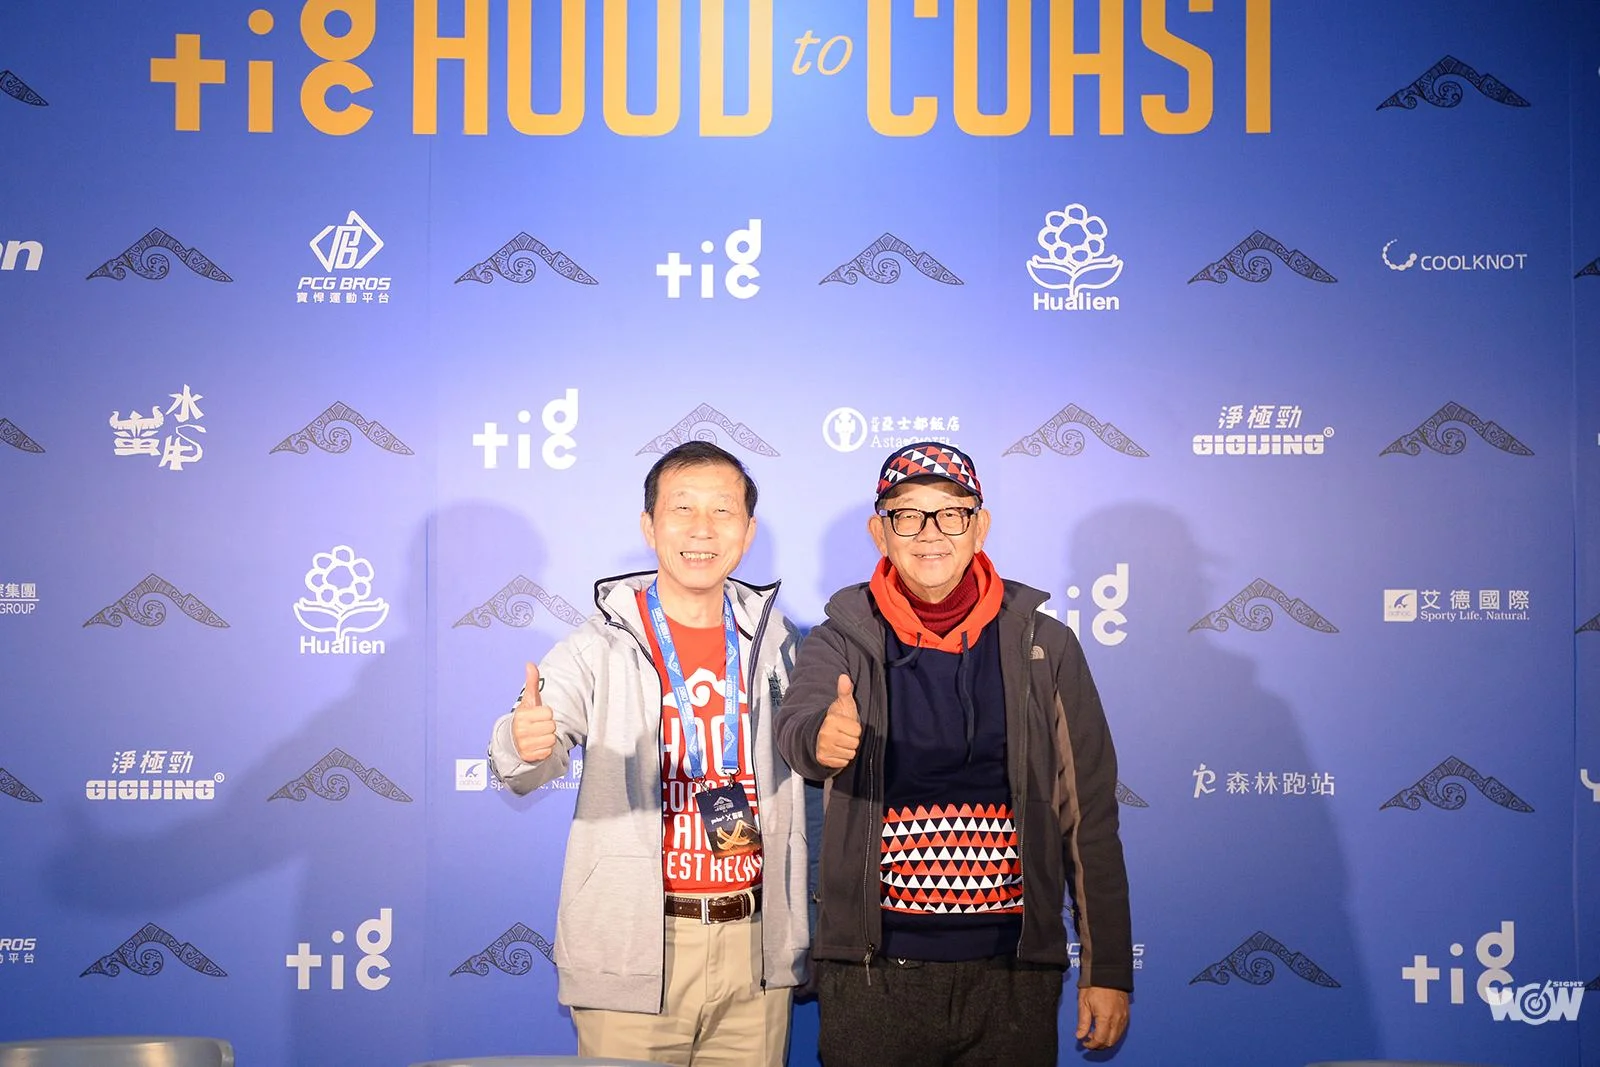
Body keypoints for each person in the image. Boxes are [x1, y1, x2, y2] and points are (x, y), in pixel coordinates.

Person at [776, 441, 1133, 1065]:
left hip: (1013, 973)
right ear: (880, 533)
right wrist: (820, 741)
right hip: (870, 974)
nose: (930, 532)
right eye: (908, 515)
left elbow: (1089, 817)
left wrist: (1107, 968)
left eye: (951, 513)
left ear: (979, 526)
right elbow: (799, 729)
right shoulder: (840, 639)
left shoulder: (1044, 645)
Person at [488, 440, 807, 1067]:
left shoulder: (777, 642)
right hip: (635, 948)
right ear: (649, 526)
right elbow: (526, 753)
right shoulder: (599, 645)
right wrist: (522, 743)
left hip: (755, 952)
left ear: (747, 531)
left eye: (722, 511)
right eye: (682, 508)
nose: (702, 528)